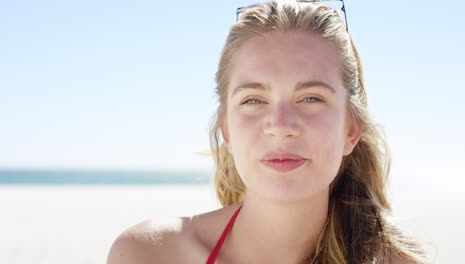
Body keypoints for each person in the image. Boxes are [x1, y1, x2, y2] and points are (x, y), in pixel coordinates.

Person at [107, 0, 429, 263]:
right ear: (227, 131)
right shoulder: (150, 254)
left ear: (351, 129)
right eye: (254, 99)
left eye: (311, 98)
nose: (280, 126)